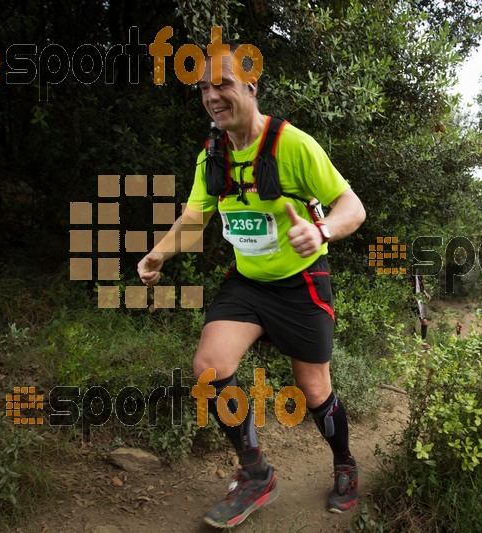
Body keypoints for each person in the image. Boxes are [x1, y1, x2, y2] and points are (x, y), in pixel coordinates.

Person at [137, 48, 366, 529]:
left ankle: (344, 464)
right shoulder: (212, 153)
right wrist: (160, 251)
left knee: (314, 389)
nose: (211, 96)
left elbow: (351, 206)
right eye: (202, 87)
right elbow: (195, 215)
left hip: (301, 283)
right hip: (247, 283)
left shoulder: (293, 145)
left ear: (250, 87)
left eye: (221, 84)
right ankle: (255, 474)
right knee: (209, 368)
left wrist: (322, 231)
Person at [412, 273, 431, 342]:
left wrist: (426, 294)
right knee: (412, 322)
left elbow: (421, 286)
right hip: (411, 299)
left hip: (419, 299)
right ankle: (413, 340)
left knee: (424, 321)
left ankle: (423, 340)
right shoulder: (408, 274)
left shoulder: (419, 274)